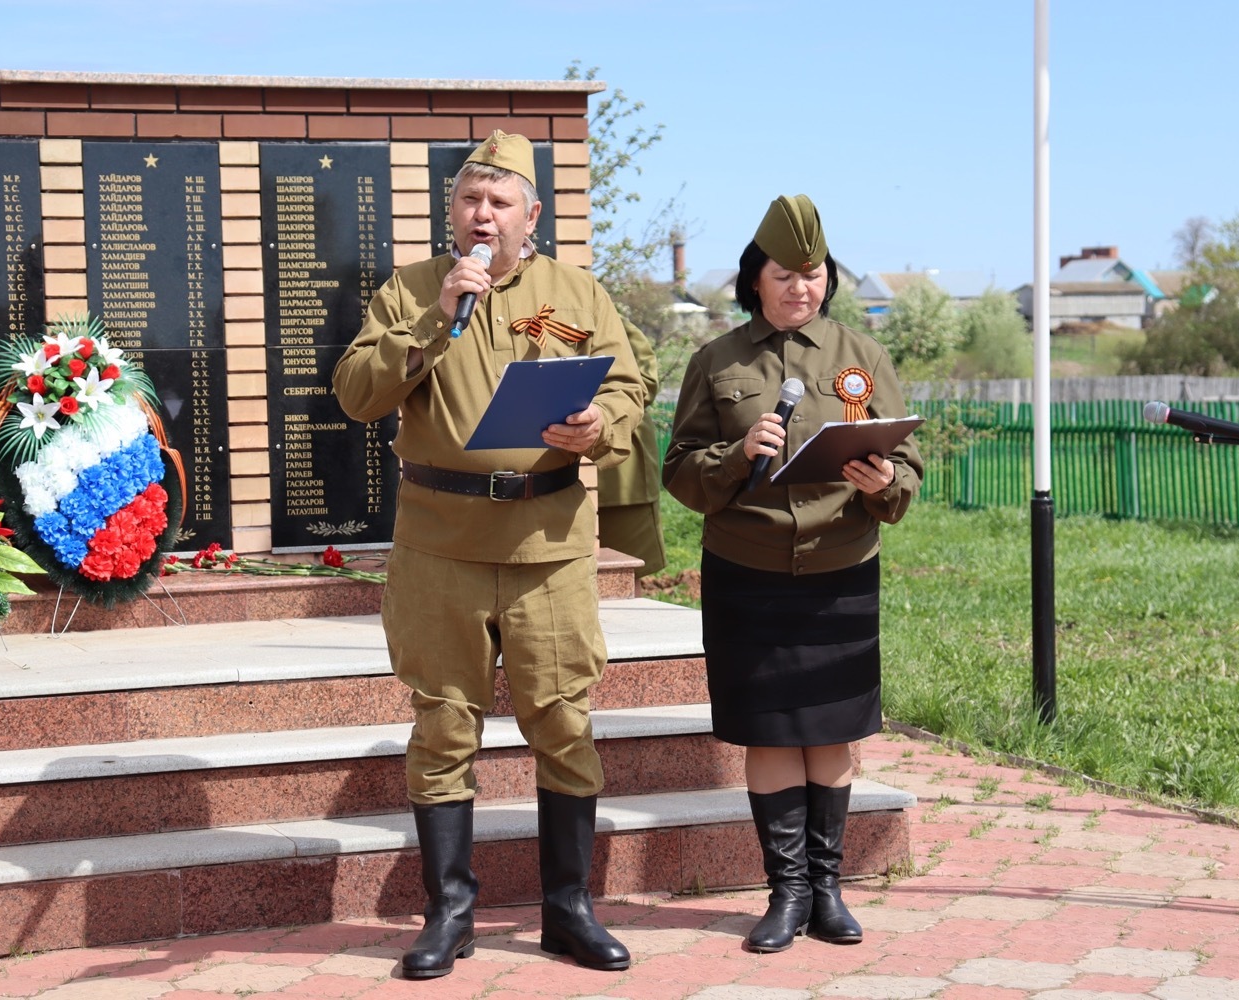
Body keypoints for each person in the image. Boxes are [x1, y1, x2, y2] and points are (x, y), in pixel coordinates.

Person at [331, 130, 644, 980]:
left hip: (548, 544)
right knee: (443, 725)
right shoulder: (411, 290)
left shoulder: (577, 292)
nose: (483, 215)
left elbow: (628, 388)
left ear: (530, 216)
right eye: (470, 199)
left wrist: (599, 424)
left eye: (500, 202)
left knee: (565, 722)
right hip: (441, 544)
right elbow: (357, 394)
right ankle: (450, 915)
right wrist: (436, 321)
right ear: (452, 211)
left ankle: (569, 911)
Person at [662, 194, 923, 953]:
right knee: (770, 731)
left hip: (841, 569)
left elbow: (906, 462)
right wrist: (735, 455)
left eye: (812, 275)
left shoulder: (862, 356)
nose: (800, 288)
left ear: (827, 279)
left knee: (833, 731)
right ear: (755, 279)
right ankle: (786, 894)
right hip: (747, 568)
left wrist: (886, 483)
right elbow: (679, 470)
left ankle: (828, 891)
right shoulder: (716, 361)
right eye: (784, 275)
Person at [597, 318, 667, 586]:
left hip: (622, 478)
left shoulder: (608, 318)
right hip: (546, 480)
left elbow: (644, 384)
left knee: (625, 577)